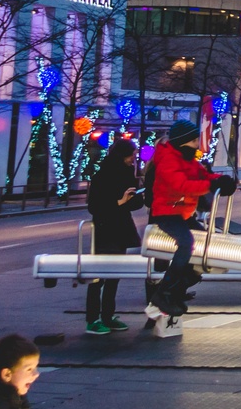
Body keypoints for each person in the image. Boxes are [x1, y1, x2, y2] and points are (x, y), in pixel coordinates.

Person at [146, 120, 216, 318]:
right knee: (186, 243)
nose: (197, 145)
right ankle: (165, 292)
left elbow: (201, 174)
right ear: (184, 142)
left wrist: (218, 180)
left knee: (206, 242)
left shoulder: (186, 160)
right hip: (167, 213)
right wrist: (209, 186)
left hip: (182, 213)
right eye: (194, 141)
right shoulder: (168, 160)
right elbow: (181, 185)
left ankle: (179, 288)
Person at [85, 138, 143, 335]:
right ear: (122, 155)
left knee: (114, 275)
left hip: (121, 228)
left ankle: (108, 315)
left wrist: (133, 198)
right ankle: (93, 319)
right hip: (106, 228)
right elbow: (95, 207)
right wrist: (120, 201)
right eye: (131, 155)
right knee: (99, 276)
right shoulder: (103, 175)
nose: (133, 159)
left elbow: (135, 204)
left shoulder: (127, 173)